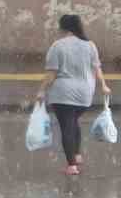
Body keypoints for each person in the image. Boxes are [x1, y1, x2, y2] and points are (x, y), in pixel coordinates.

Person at [35, 14, 109, 176]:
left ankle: (71, 166)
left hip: (63, 93)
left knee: (66, 127)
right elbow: (97, 68)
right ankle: (77, 154)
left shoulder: (58, 46)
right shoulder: (90, 45)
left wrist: (41, 90)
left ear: (63, 27)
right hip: (85, 94)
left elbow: (52, 74)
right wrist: (103, 85)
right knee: (73, 121)